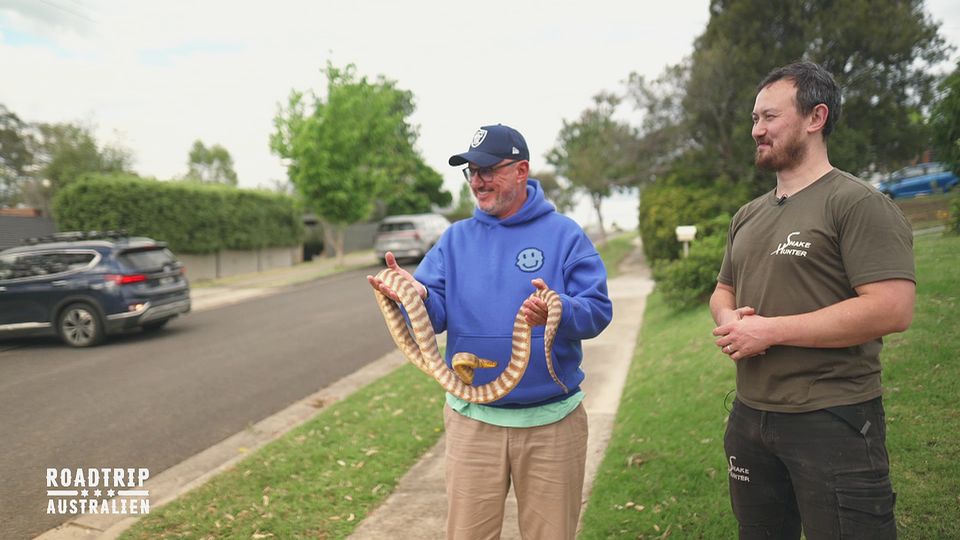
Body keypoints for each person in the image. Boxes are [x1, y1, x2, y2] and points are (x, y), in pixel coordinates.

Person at [368, 123, 612, 539]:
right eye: (470, 172)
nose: (477, 181)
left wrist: (556, 309)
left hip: (551, 423)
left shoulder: (564, 235)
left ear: (521, 170)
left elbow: (596, 311)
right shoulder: (454, 239)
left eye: (487, 170)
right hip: (473, 423)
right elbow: (436, 316)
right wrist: (414, 295)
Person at [710, 61, 916, 539]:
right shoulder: (748, 215)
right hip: (750, 418)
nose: (756, 130)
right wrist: (730, 319)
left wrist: (770, 330)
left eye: (769, 117)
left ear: (815, 117)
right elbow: (724, 288)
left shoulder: (856, 203)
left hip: (832, 418)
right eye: (754, 119)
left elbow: (892, 307)